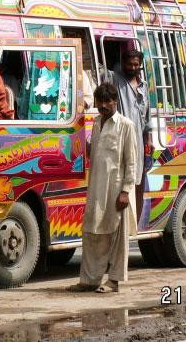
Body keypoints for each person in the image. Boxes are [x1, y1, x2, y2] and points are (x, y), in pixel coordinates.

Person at [68, 82, 138, 293]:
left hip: (116, 190)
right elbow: (94, 154)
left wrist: (126, 191)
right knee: (92, 232)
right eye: (100, 102)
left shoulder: (125, 125)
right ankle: (89, 280)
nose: (103, 106)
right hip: (96, 188)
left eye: (107, 102)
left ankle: (114, 281)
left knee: (117, 236)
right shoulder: (96, 123)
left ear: (115, 101)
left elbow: (131, 161)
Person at [114, 49, 153, 187]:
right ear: (123, 64)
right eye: (129, 64)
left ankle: (136, 210)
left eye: (136, 65)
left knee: (137, 182)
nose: (133, 68)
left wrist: (149, 140)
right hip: (120, 140)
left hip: (138, 141)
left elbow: (147, 117)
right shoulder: (117, 81)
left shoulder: (144, 86)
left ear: (140, 64)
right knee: (121, 182)